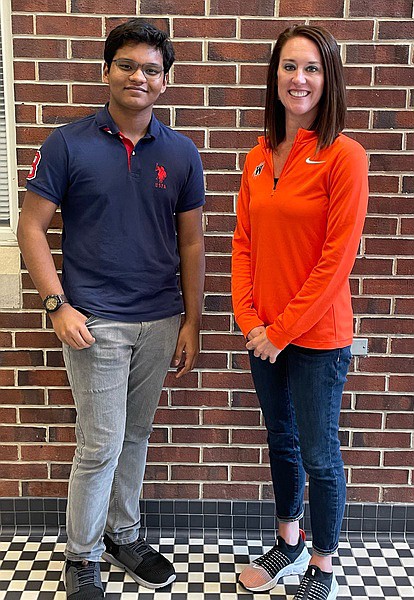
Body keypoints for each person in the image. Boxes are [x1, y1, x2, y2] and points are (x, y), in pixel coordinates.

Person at [17, 19, 205, 600]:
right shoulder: (67, 144)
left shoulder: (179, 153)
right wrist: (57, 306)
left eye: (151, 69)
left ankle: (124, 534)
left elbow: (192, 242)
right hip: (94, 322)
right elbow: (31, 226)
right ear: (106, 71)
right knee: (100, 443)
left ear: (165, 81)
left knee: (137, 435)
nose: (138, 77)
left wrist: (192, 322)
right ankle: (83, 555)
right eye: (127, 65)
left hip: (160, 320)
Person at [232, 25, 368, 600]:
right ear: (275, 77)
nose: (299, 79)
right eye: (289, 67)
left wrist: (282, 331)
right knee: (281, 441)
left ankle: (323, 567)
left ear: (327, 77)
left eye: (310, 68)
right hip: (264, 335)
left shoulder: (344, 156)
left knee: (318, 452)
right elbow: (243, 245)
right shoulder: (259, 155)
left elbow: (337, 261)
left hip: (317, 338)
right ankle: (288, 541)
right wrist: (252, 323)